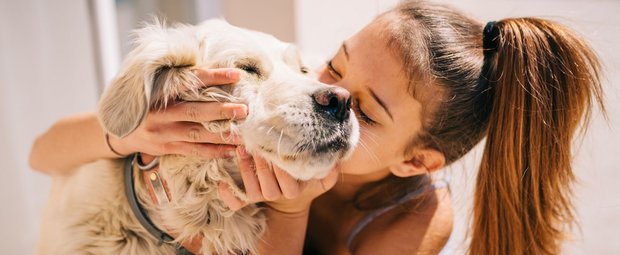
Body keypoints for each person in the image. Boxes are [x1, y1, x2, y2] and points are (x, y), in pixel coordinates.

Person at [30, 1, 605, 254]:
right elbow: (42, 153)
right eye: (332, 64)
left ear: (415, 161)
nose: (324, 93)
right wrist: (129, 136)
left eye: (366, 110)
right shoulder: (247, 123)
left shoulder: (414, 220)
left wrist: (288, 211)